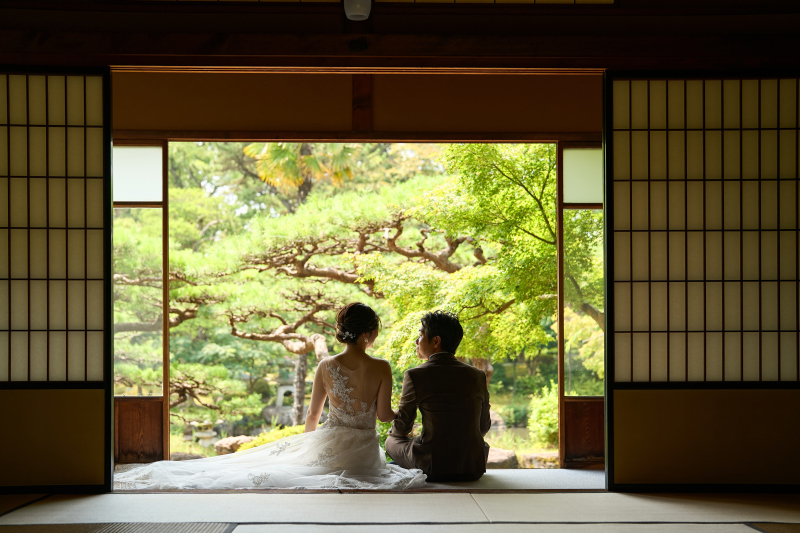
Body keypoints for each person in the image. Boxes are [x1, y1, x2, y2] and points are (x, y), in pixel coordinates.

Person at [114, 303, 426, 490]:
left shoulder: (326, 365)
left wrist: (309, 446)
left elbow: (312, 416)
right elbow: (384, 416)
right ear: (368, 334)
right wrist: (409, 417)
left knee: (281, 469)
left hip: (329, 446)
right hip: (363, 455)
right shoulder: (382, 367)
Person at [385, 310, 491, 482]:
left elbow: (402, 428)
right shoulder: (477, 375)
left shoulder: (415, 375)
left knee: (391, 442)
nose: (416, 341)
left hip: (436, 467)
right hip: (473, 466)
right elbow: (483, 427)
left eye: (420, 335)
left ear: (436, 341)